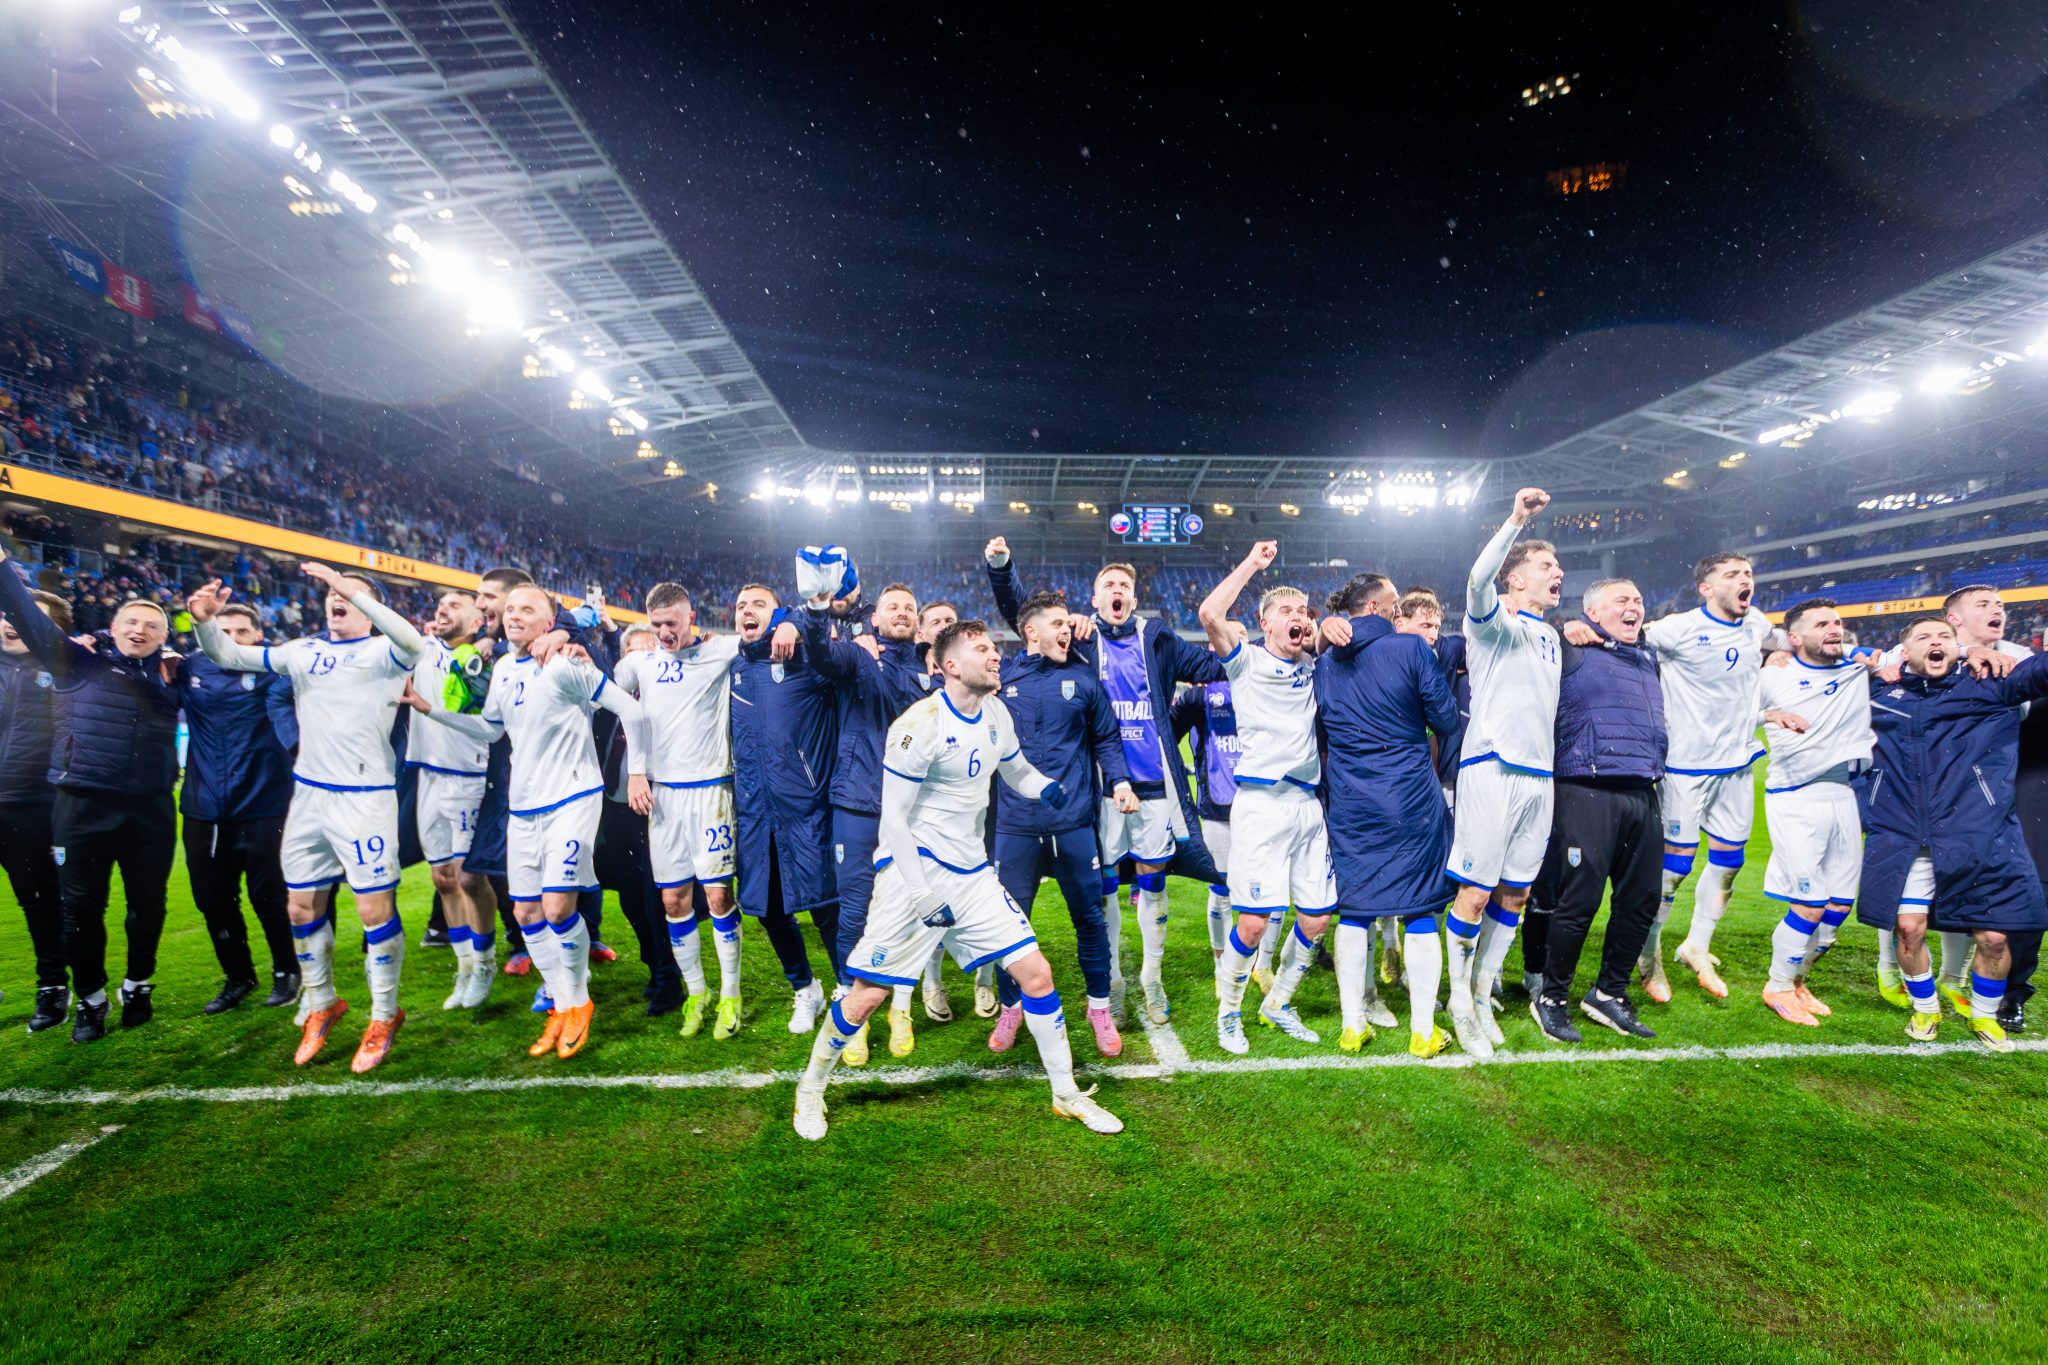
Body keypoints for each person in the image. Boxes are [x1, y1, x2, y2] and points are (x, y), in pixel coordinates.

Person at [792, 620, 1121, 1140]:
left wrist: (1045, 787)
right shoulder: (918, 725)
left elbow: (1015, 770)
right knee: (867, 996)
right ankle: (810, 1088)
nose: (995, 656)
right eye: (982, 649)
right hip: (913, 872)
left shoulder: (996, 713)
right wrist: (921, 893)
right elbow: (893, 819)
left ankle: (1066, 1094)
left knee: (1037, 975)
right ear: (950, 665)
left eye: (994, 647)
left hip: (972, 874)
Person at [188, 563, 426, 1072]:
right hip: (309, 797)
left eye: (349, 594)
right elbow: (229, 655)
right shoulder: (302, 651)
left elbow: (413, 641)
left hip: (365, 798)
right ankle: (322, 1003)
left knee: (373, 911)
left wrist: (351, 590)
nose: (335, 598)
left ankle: (385, 1014)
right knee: (299, 908)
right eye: (332, 592)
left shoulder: (385, 652)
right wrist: (204, 623)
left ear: (368, 608)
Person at [986, 541, 1226, 1026]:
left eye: (1125, 586)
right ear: (1093, 600)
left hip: (1153, 787)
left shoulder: (1158, 639)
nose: (1118, 590)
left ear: (1134, 600)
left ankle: (1152, 979)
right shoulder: (1079, 641)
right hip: (1100, 789)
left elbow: (1212, 666)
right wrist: (1001, 568)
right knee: (1106, 888)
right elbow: (1024, 617)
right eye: (1108, 585)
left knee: (1154, 882)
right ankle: (1113, 981)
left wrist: (1260, 648)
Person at [409, 583, 650, 1060]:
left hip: (572, 799)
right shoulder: (502, 668)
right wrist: (430, 710)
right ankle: (561, 1002)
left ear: (549, 623)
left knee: (558, 908)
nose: (514, 615)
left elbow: (631, 709)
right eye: (511, 608)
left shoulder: (565, 664)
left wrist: (638, 772)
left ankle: (578, 1002)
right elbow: (490, 729)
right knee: (525, 914)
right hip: (523, 808)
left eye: (527, 609)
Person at [0, 544, 179, 1043]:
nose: (140, 630)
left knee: (148, 906)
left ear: (165, 637)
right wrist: (3, 569)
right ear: (113, 628)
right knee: (80, 909)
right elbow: (27, 618)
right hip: (82, 803)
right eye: (131, 622)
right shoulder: (77, 662)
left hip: (151, 808)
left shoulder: (179, 675)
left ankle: (138, 985)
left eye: (151, 625)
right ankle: (91, 1000)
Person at [1857, 617, 2048, 1052]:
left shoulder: (1990, 682)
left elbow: (2040, 672)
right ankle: (1925, 1009)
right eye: (1924, 637)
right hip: (1905, 834)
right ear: (1904, 651)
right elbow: (1817, 673)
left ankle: (1984, 1014)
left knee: (1995, 937)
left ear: (1957, 646)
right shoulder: (1879, 693)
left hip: (1978, 831)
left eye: (1945, 636)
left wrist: (1973, 652)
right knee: (1908, 929)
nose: (1936, 642)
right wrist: (1862, 666)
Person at [615, 582, 792, 1041]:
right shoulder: (641, 662)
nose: (664, 633)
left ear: (691, 618)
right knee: (673, 901)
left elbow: (764, 629)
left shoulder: (719, 651)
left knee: (717, 897)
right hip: (663, 799)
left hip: (712, 792)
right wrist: (637, 771)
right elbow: (614, 690)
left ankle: (731, 992)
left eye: (671, 624)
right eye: (656, 625)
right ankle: (697, 992)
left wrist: (787, 621)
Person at [985, 588, 1136, 1059]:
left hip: (1073, 822)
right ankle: (1011, 1007)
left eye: (1068, 624)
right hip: (1015, 825)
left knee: (1089, 920)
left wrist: (1120, 782)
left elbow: (1107, 738)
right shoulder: (1002, 679)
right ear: (1030, 632)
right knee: (1008, 926)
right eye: (1056, 624)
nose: (1066, 630)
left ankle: (1098, 1009)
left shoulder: (1083, 679)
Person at [1198, 540, 1336, 1053]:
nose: (1299, 618)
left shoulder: (1315, 666)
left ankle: (1277, 1003)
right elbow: (1210, 614)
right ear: (1265, 623)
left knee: (1316, 918)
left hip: (1308, 805)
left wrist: (1329, 627)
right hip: (1260, 805)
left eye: (1305, 611)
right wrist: (1253, 565)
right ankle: (1228, 1013)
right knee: (1254, 923)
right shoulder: (1246, 661)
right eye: (1287, 612)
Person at [1315, 572, 1460, 1056]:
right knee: (1419, 908)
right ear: (1375, 607)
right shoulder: (1411, 649)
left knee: (1355, 910)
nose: (1400, 613)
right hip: (1409, 798)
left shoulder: (1325, 664)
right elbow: (1445, 719)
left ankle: (1352, 1025)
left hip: (1350, 800)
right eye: (1395, 604)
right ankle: (1423, 1031)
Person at [805, 574, 941, 1063]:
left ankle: (899, 1007)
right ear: (875, 617)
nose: (901, 612)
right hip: (859, 803)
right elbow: (820, 655)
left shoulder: (932, 670)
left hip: (915, 809)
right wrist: (816, 610)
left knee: (908, 911)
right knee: (855, 911)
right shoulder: (859, 655)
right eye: (892, 607)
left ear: (918, 623)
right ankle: (851, 1009)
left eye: (909, 607)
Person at [1444, 487, 1560, 1060]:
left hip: (1541, 776)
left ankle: (1482, 991)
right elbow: (1475, 581)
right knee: (1475, 892)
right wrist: (1515, 520)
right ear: (1514, 580)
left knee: (1516, 892)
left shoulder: (1551, 634)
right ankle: (1458, 1002)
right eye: (1545, 565)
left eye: (1557, 566)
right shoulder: (1493, 624)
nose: (1556, 572)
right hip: (1492, 767)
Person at [1523, 579, 1665, 1044]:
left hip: (1643, 787)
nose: (1634, 606)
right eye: (1622, 600)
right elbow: (1532, 635)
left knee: (1642, 900)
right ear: (1593, 612)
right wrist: (1565, 629)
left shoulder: (1646, 656)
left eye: (1638, 600)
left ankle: (1609, 992)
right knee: (1579, 901)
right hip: (1586, 788)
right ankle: (1552, 997)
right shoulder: (1570, 648)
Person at [1631, 553, 1777, 1001]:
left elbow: (1787, 642)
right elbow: (1624, 634)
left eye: (1747, 573)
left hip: (1737, 765)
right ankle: (1648, 956)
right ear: (1706, 588)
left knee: (1729, 863)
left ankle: (1696, 945)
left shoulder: (1756, 623)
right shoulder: (1678, 628)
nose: (1744, 580)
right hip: (1685, 768)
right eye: (1732, 575)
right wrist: (1582, 629)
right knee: (1673, 872)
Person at [172, 601, 301, 1015]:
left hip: (265, 803)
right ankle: (238, 976)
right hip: (204, 807)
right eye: (222, 632)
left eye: (241, 632)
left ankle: (287, 970)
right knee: (212, 899)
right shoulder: (187, 669)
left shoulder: (276, 670)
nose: (231, 640)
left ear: (258, 636)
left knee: (270, 896)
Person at [729, 578, 844, 1035]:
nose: (747, 610)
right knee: (768, 908)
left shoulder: (804, 660)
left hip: (805, 806)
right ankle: (805, 987)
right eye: (741, 604)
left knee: (826, 906)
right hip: (755, 810)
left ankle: (847, 989)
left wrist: (797, 621)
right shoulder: (732, 667)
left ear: (777, 614)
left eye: (759, 604)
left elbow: (828, 640)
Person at [1753, 600, 1875, 1027]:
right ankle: (1778, 986)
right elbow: (1729, 714)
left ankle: (1798, 979)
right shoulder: (1774, 675)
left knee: (1838, 906)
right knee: (1809, 903)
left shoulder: (1857, 669)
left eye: (1837, 623)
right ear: (1794, 637)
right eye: (1821, 624)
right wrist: (1769, 714)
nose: (1834, 629)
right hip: (1795, 797)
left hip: (1844, 795)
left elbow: (1910, 655)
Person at [406, 588, 500, 1010]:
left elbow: (488, 725)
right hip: (428, 774)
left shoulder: (485, 662)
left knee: (468, 879)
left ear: (477, 621)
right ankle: (463, 967)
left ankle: (484, 964)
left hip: (469, 778)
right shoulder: (420, 649)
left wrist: (490, 641)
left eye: (455, 605)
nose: (443, 608)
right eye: (440, 604)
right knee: (443, 879)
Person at [0, 582, 74, 1032]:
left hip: (31, 804)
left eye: (25, 616)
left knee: (39, 902)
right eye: (6, 613)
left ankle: (52, 987)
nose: (11, 622)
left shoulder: (65, 671)